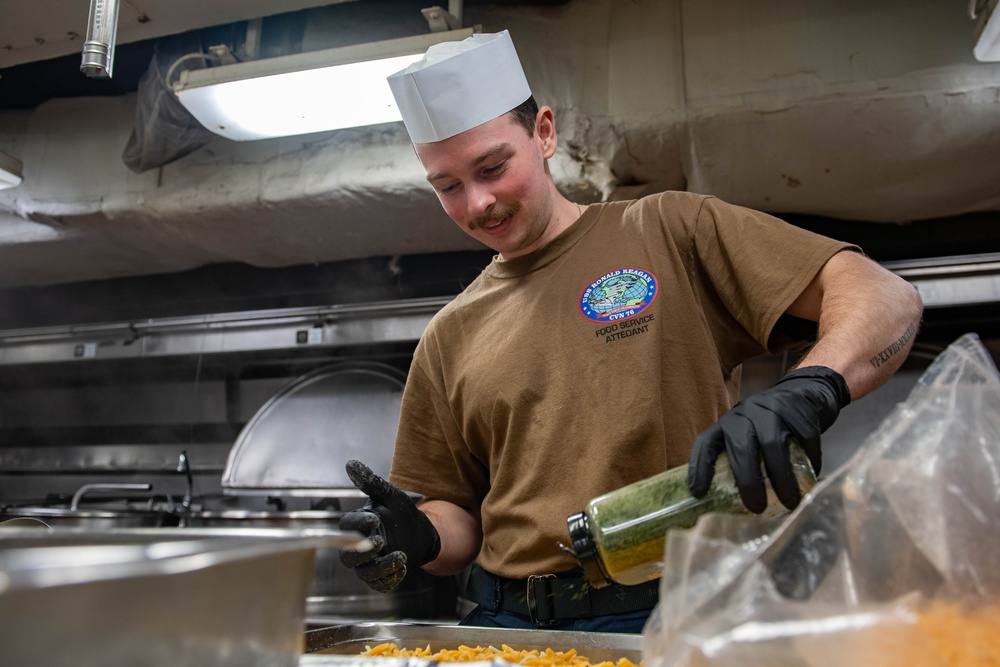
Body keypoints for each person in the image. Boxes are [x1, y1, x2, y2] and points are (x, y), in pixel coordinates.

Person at [337, 30, 924, 633]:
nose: (479, 202)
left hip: (672, 611)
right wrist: (420, 534)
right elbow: (458, 514)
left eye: (492, 167)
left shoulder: (669, 231)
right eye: (448, 187)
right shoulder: (449, 334)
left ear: (543, 132)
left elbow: (884, 296)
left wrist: (810, 389)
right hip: (504, 622)